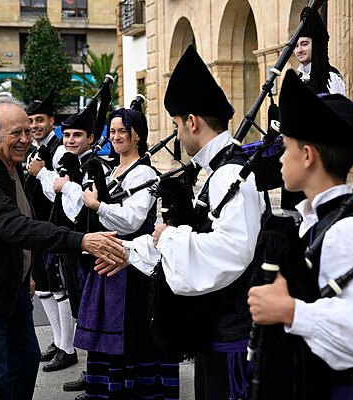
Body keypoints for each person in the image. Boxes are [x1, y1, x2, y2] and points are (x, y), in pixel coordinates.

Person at [95, 45, 266, 400]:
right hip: (215, 332)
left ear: (192, 121)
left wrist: (170, 237)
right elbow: (194, 239)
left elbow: (231, 252)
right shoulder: (216, 171)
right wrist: (127, 250)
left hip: (232, 337)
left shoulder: (230, 174)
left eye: (176, 124)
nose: (176, 134)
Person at [247, 70, 353, 399]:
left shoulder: (349, 231)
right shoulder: (309, 221)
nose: (281, 158)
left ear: (309, 155)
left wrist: (290, 311)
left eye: (286, 148)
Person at [0, 96, 124, 400]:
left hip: (14, 290)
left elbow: (24, 214)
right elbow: (14, 226)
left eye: (26, 131)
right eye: (15, 133)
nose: (24, 139)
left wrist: (25, 270)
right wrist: (82, 240)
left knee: (26, 361)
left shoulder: (12, 164)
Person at [73, 107, 180, 400]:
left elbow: (132, 219)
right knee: (109, 334)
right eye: (113, 131)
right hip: (107, 255)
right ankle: (108, 388)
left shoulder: (143, 172)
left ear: (137, 135)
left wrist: (97, 206)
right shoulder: (111, 170)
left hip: (133, 265)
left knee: (132, 333)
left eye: (123, 131)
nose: (116, 136)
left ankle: (130, 391)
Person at [24, 88, 78, 373]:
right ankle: (58, 342)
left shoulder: (58, 150)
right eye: (31, 120)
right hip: (38, 228)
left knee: (60, 288)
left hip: (56, 227)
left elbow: (58, 193)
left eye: (39, 120)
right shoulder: (35, 149)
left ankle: (68, 348)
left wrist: (40, 173)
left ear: (52, 121)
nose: (34, 126)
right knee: (44, 287)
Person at [282, 5, 347, 222]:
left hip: (320, 159)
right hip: (297, 156)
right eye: (297, 45)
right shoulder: (296, 78)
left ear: (315, 45)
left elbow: (339, 118)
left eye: (305, 44)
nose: (299, 49)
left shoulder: (331, 78)